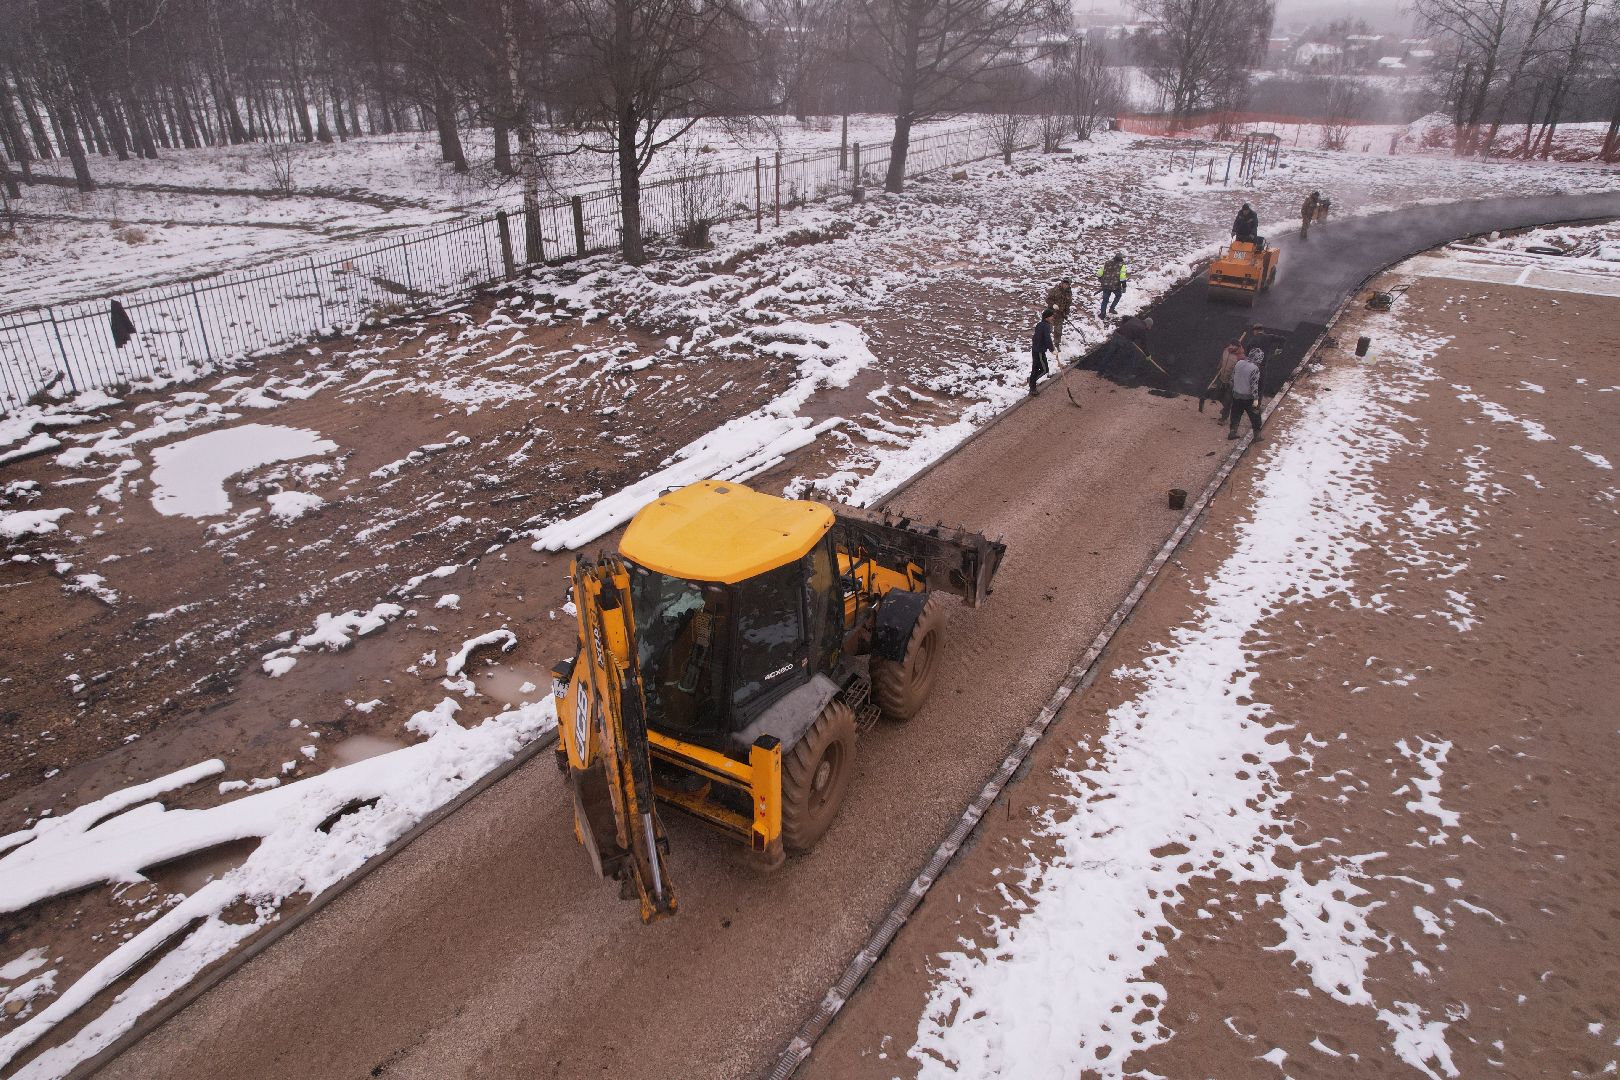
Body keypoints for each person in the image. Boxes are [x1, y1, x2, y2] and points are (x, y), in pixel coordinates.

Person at [1096, 314, 1152, 378]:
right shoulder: (1143, 329)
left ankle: (1100, 372)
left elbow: (1124, 317)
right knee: (1132, 356)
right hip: (1125, 340)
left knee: (1110, 354)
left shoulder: (1134, 319)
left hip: (1116, 335)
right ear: (1148, 325)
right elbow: (1143, 344)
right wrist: (1147, 355)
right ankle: (1126, 374)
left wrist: (1123, 326)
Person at [1227, 347, 1264, 440]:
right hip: (1248, 398)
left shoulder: (1239, 363)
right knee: (1255, 416)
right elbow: (1254, 385)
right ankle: (1257, 436)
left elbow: (1232, 378)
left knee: (1235, 414)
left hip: (1236, 395)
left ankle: (1232, 432)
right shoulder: (1255, 368)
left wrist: (1234, 390)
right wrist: (1256, 399)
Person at [1211, 339, 1244, 422]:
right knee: (1219, 396)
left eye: (1233, 345)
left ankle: (1224, 417)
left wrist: (1233, 381)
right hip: (1222, 378)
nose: (1231, 347)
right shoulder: (1226, 351)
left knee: (1228, 400)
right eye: (1230, 345)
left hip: (1231, 382)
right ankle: (1225, 408)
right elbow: (1222, 360)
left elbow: (1240, 372)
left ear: (1238, 347)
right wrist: (1219, 367)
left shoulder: (1240, 357)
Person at [1030, 308, 1055, 396]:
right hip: (1039, 351)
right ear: (1047, 317)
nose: (1053, 317)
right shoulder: (1046, 326)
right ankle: (1031, 383)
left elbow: (1038, 337)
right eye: (1051, 316)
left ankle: (1032, 384)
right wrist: (1052, 349)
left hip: (1036, 349)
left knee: (1036, 368)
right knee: (1044, 369)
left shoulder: (1040, 324)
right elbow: (1047, 339)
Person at [1045, 277, 1074, 349]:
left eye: (1067, 284)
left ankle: (1057, 344)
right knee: (1048, 329)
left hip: (1060, 314)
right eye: (1064, 283)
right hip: (1051, 313)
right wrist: (1053, 305)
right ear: (1062, 283)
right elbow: (1048, 299)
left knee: (1058, 331)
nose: (1065, 285)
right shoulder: (1055, 290)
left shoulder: (1069, 293)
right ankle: (1046, 343)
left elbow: (1068, 304)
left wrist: (1066, 313)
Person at [1096, 254, 1128, 318]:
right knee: (1118, 296)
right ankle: (1112, 308)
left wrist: (1102, 281)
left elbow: (1099, 274)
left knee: (1105, 300)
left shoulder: (1107, 263)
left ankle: (1102, 314)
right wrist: (1124, 287)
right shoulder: (1122, 266)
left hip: (1106, 286)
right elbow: (1122, 278)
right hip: (1116, 286)